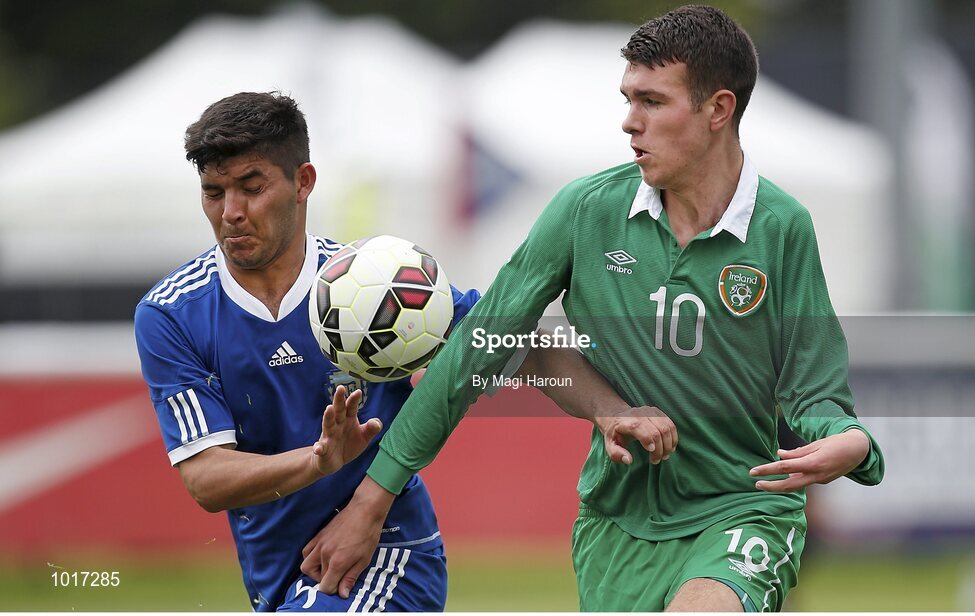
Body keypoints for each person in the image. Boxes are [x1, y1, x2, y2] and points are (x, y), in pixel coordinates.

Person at [306, 5, 885, 612]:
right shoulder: (585, 212)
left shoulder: (783, 227)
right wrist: (371, 500)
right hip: (616, 523)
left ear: (718, 109)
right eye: (628, 99)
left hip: (740, 512)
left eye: (653, 102)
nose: (630, 123)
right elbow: (480, 349)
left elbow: (815, 391)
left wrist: (850, 441)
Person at [134, 92, 669, 611]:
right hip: (282, 579)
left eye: (251, 187)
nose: (231, 212)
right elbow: (207, 479)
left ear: (303, 182)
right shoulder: (173, 314)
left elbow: (510, 337)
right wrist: (318, 461)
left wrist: (609, 410)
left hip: (389, 556)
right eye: (213, 192)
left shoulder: (377, 282)